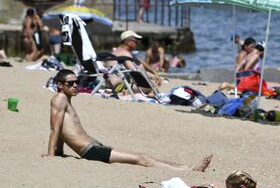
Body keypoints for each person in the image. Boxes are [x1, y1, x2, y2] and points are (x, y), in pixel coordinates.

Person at [44, 69, 213, 171]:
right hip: (90, 151)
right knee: (142, 158)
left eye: (76, 82)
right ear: (60, 85)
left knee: (144, 156)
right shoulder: (59, 99)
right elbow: (55, 128)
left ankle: (186, 167)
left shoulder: (65, 99)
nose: (75, 85)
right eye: (71, 83)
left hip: (95, 147)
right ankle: (188, 169)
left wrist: (59, 152)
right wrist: (52, 155)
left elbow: (64, 130)